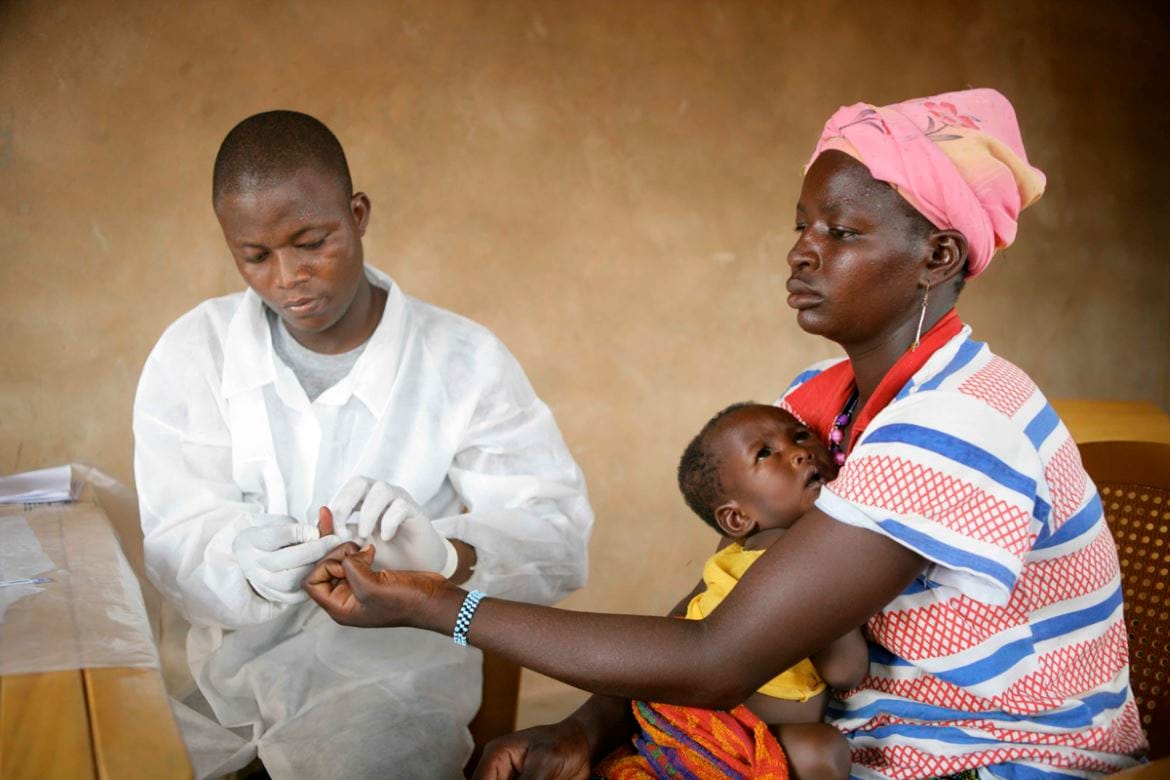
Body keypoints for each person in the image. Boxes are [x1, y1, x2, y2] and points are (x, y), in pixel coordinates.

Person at [305, 89, 1146, 778]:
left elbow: (720, 658)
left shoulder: (958, 423)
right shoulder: (819, 408)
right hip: (845, 753)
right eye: (802, 226)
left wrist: (438, 604)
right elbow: (739, 598)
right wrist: (588, 729)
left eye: (841, 233)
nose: (802, 254)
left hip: (994, 765)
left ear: (937, 257)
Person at [132, 110, 593, 779]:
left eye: (310, 241)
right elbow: (176, 538)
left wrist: (445, 555)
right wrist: (242, 562)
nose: (287, 277)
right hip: (227, 684)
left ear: (357, 214)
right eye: (255, 256)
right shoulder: (193, 354)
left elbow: (556, 537)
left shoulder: (465, 361)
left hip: (394, 688)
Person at [677, 402, 868, 778]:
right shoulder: (802, 562)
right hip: (719, 738)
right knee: (822, 749)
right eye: (765, 454)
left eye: (800, 436)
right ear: (737, 517)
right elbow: (846, 671)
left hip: (689, 712)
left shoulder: (734, 554)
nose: (799, 453)